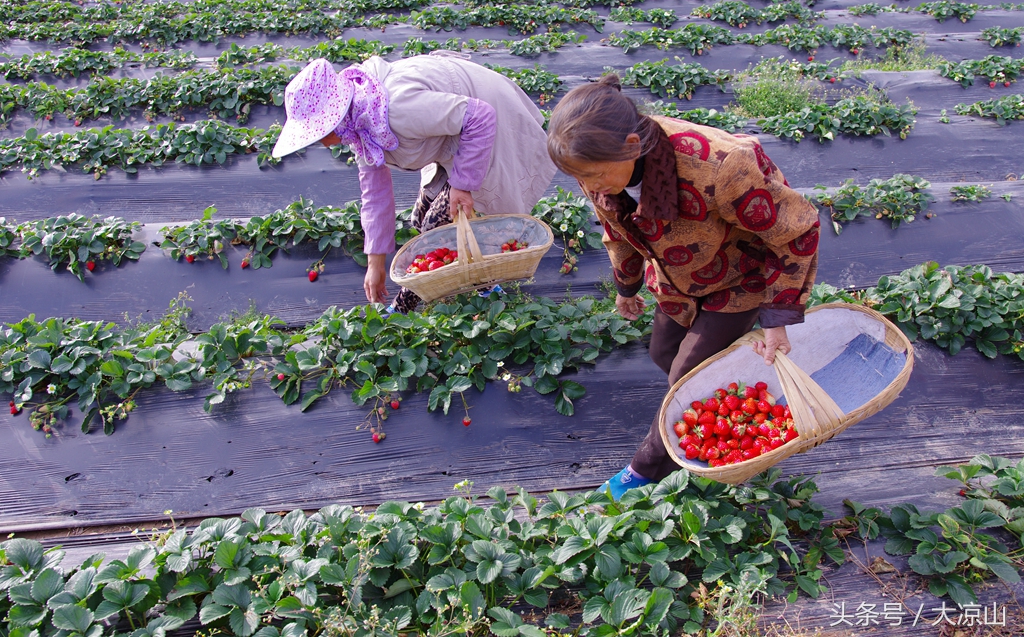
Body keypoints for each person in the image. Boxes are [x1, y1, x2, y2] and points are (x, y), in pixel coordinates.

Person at [546, 74, 821, 500]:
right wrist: (627, 286)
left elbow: (796, 230)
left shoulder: (723, 166)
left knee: (685, 377)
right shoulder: (597, 165)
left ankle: (645, 470)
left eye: (595, 175)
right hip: (677, 278)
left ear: (633, 147)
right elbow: (616, 229)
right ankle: (730, 410)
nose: (591, 186)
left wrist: (778, 318)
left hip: (739, 275)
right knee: (662, 353)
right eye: (580, 178)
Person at [272, 53, 556, 312]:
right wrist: (375, 263)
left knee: (437, 224)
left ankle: (402, 309)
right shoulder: (360, 126)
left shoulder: (397, 108)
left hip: (487, 121)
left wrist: (463, 183)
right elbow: (375, 194)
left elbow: (479, 117)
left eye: (318, 131)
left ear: (335, 117)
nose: (319, 141)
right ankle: (481, 281)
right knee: (420, 219)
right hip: (454, 134)